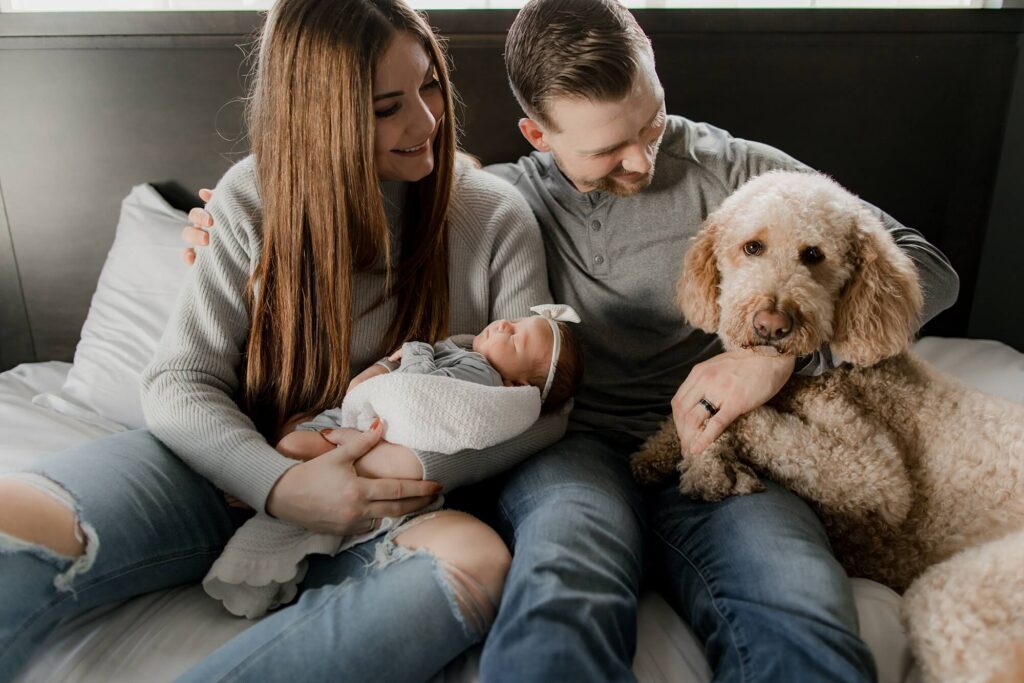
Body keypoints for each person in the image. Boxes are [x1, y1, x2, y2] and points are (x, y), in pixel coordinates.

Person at [182, 1, 959, 682]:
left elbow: (925, 267)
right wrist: (232, 221)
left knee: (800, 603)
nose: (644, 158)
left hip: (723, 442)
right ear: (538, 134)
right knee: (563, 586)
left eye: (650, 119)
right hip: (571, 454)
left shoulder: (741, 170)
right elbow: (369, 214)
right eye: (604, 150)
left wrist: (774, 357)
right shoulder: (498, 203)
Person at [0, 1, 567, 681]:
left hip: (386, 507)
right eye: (387, 106)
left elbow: (545, 408)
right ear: (317, 117)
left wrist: (376, 470)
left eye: (430, 84)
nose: (426, 121)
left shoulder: (496, 216)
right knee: (13, 519)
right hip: (226, 470)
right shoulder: (253, 198)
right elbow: (180, 381)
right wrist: (282, 485)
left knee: (478, 564)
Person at [204, 306, 584, 620]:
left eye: (515, 338)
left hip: (369, 433)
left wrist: (416, 349)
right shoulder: (466, 354)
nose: (504, 324)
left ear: (518, 387)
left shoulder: (480, 374)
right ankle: (268, 486)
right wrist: (388, 365)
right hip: (350, 425)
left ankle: (264, 486)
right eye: (514, 322)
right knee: (294, 444)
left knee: (292, 445)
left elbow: (417, 389)